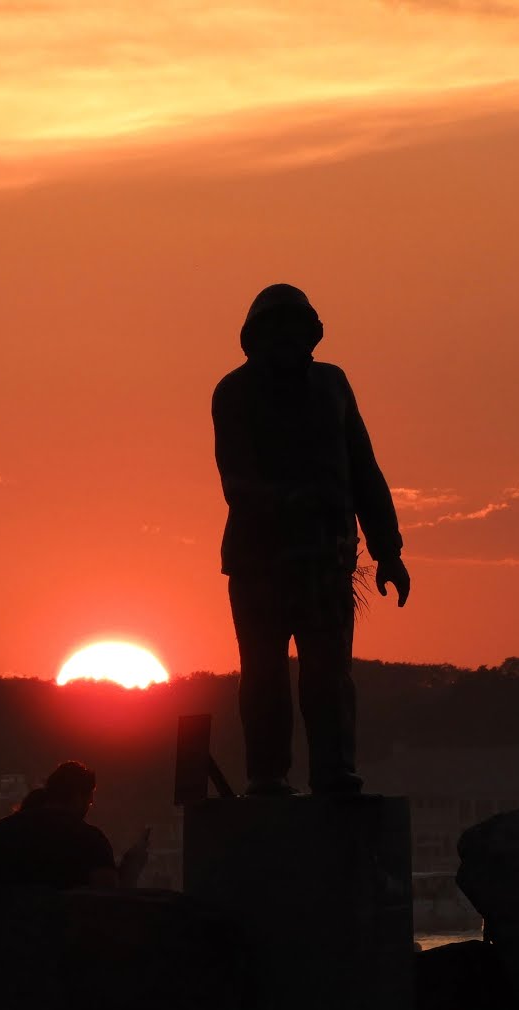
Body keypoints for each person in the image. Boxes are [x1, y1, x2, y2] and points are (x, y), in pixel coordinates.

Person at [212, 283, 410, 797]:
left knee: (329, 673)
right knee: (263, 675)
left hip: (326, 561)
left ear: (312, 335)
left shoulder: (332, 385)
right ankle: (267, 774)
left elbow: (364, 470)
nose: (287, 340)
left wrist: (388, 550)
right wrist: (298, 502)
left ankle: (333, 769)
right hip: (260, 565)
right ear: (254, 339)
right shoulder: (233, 393)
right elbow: (236, 480)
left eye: (296, 329)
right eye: (275, 330)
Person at [0, 760, 148, 889]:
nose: (89, 807)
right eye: (89, 801)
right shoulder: (91, 841)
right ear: (78, 797)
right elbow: (107, 902)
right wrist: (130, 871)